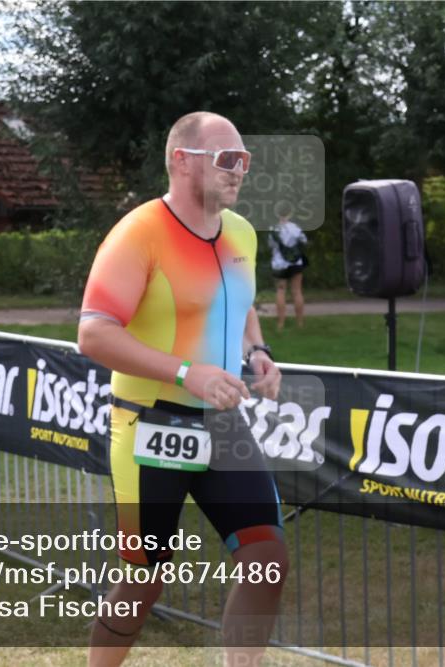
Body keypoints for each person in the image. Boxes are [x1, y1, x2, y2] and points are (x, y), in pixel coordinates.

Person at [78, 111, 287, 667]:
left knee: (268, 556)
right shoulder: (138, 233)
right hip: (149, 423)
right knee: (145, 582)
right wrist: (184, 372)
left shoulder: (240, 232)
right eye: (226, 159)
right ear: (181, 160)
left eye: (245, 159)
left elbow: (238, 308)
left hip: (221, 422)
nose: (239, 170)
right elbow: (93, 334)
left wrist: (257, 353)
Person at [268, 202, 307, 330]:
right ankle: (300, 323)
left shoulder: (273, 229)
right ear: (290, 213)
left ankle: (280, 324)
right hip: (296, 263)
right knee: (297, 291)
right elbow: (304, 241)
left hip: (279, 264)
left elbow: (271, 245)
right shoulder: (295, 228)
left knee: (280, 291)